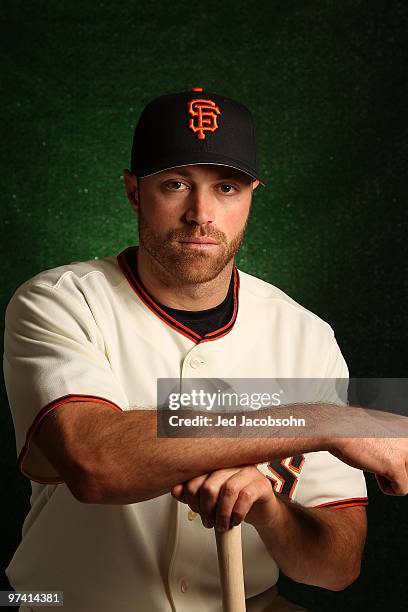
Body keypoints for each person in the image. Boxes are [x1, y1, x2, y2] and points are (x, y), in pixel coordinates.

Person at [4, 88, 408, 612]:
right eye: (175, 184)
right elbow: (94, 460)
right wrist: (321, 421)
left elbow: (337, 569)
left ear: (252, 195)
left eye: (226, 187)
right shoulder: (61, 300)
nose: (201, 213)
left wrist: (270, 508)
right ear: (133, 191)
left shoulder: (307, 336)